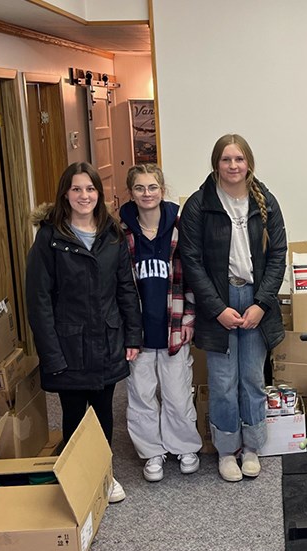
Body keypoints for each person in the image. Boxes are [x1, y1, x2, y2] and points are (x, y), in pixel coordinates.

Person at [26, 162, 142, 503]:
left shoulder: (112, 234)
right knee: (75, 414)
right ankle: (79, 479)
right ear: (66, 193)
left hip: (106, 337)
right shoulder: (50, 238)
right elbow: (39, 301)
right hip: (67, 343)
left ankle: (104, 474)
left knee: (104, 411)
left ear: (99, 194)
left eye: (90, 189)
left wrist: (132, 336)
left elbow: (125, 289)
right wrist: (51, 353)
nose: (84, 195)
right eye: (77, 189)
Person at [179, 134, 287, 482]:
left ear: (248, 163)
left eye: (239, 159)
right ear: (216, 164)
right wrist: (216, 309)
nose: (233, 166)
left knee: (253, 378)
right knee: (224, 382)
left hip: (256, 301)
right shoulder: (199, 205)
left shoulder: (265, 201)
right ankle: (227, 450)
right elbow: (191, 262)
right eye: (226, 160)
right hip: (219, 303)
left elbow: (277, 256)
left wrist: (262, 303)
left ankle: (253, 447)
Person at [119, 164, 202, 482]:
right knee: (141, 393)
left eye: (152, 187)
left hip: (174, 324)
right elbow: (118, 283)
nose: (146, 193)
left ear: (162, 189)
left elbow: (192, 276)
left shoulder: (179, 226)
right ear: (131, 193)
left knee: (177, 391)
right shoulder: (122, 231)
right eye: (139, 188)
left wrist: (190, 316)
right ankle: (152, 452)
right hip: (137, 329)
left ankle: (184, 446)